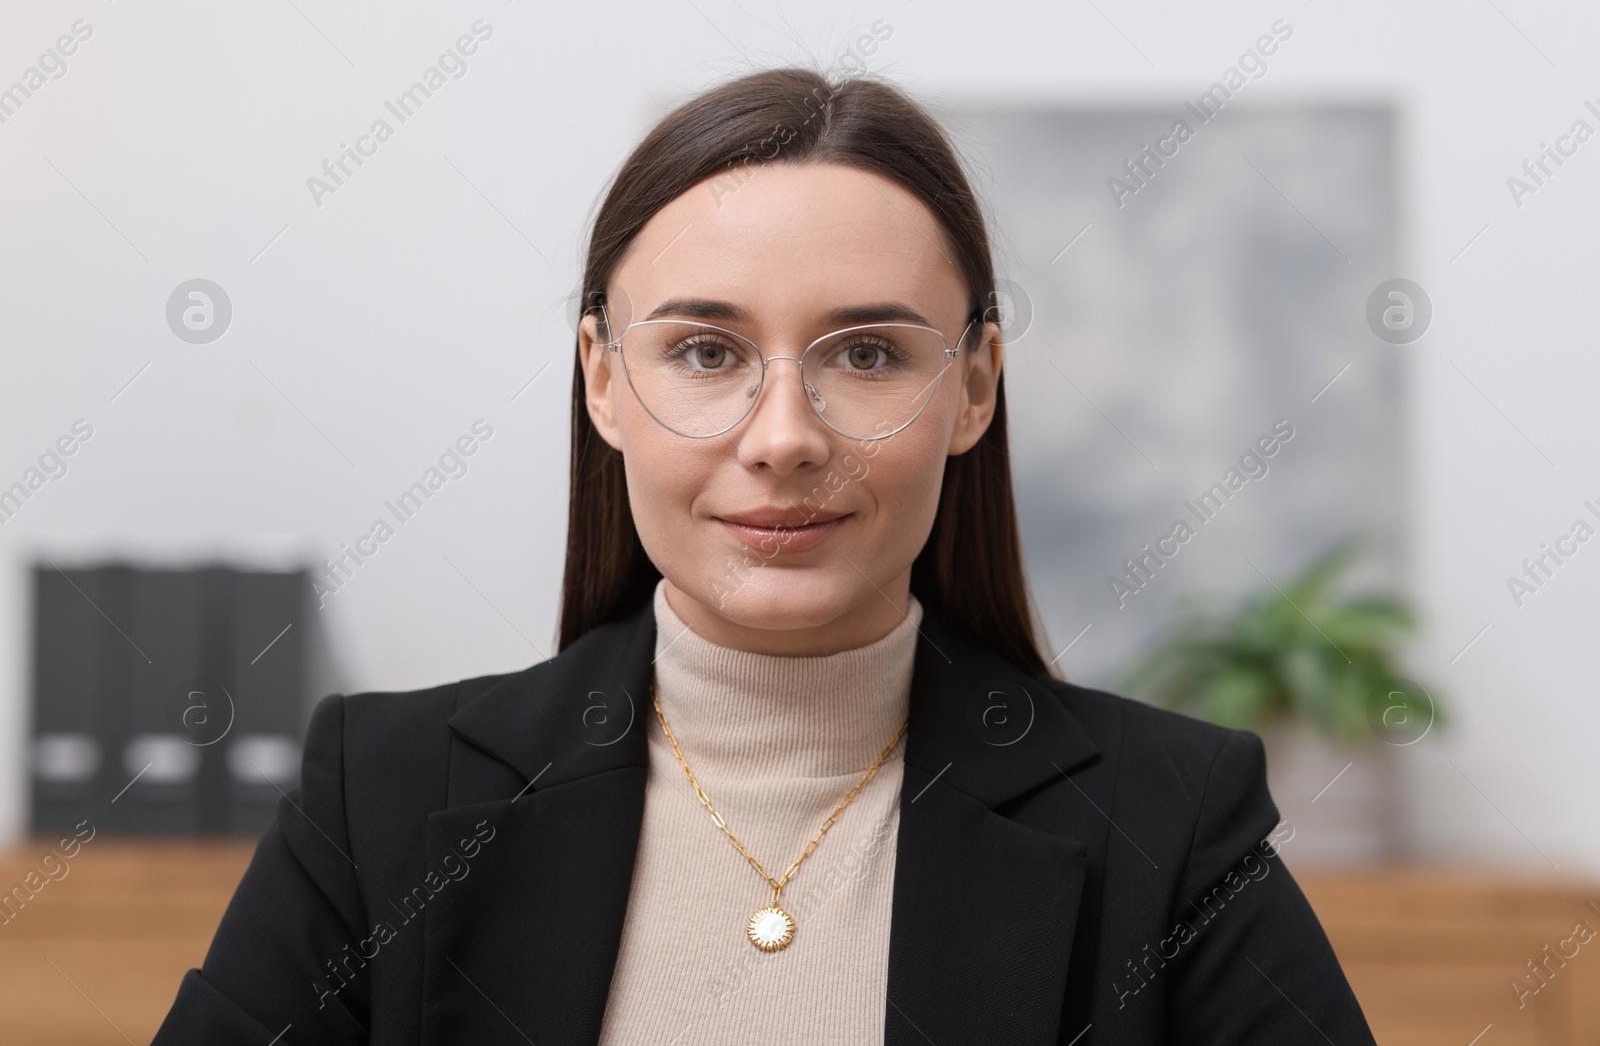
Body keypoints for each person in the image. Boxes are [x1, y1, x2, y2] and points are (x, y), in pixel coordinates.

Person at [152, 66, 1378, 1045]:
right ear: (602, 381)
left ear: (974, 389)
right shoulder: (384, 799)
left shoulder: (1167, 823)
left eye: (867, 354)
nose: (784, 439)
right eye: (703, 352)